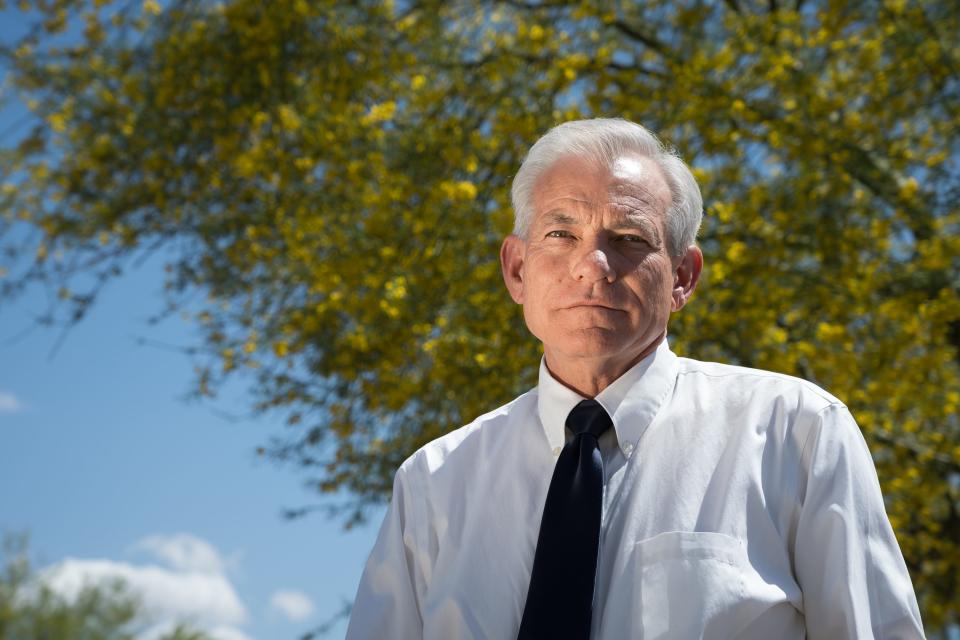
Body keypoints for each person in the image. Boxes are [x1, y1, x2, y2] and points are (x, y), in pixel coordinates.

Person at [345, 118, 924, 639]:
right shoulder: (432, 483)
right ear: (517, 270)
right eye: (561, 234)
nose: (592, 266)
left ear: (682, 276)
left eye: (628, 239)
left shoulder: (795, 433)